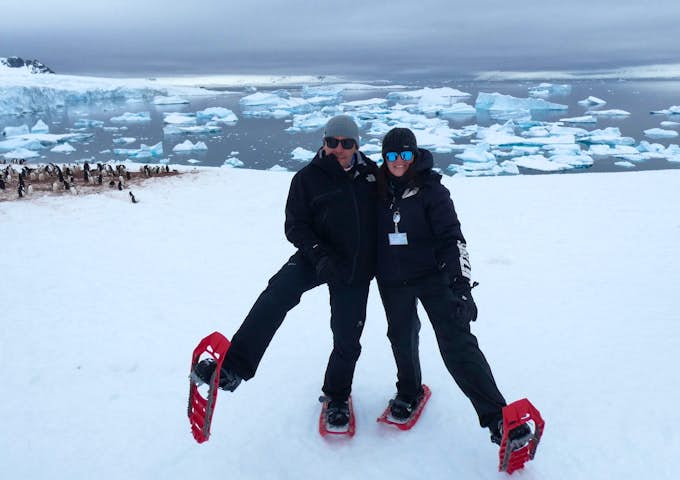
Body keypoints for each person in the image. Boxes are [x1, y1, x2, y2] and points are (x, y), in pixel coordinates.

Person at [192, 115, 378, 429]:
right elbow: (295, 226)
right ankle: (234, 366)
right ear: (324, 142)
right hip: (315, 257)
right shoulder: (307, 178)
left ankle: (336, 397)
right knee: (277, 294)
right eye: (332, 142)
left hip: (354, 265)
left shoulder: (373, 175)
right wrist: (318, 254)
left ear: (357, 145)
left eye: (346, 143)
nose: (338, 149)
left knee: (347, 336)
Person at [375, 127, 530, 444]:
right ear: (384, 158)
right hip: (392, 278)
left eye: (405, 154)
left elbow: (452, 240)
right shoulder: (374, 190)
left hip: (434, 275)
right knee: (401, 336)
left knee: (457, 342)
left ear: (415, 155)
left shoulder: (432, 192)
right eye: (392, 155)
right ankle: (409, 391)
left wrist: (460, 286)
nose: (399, 162)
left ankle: (498, 419)